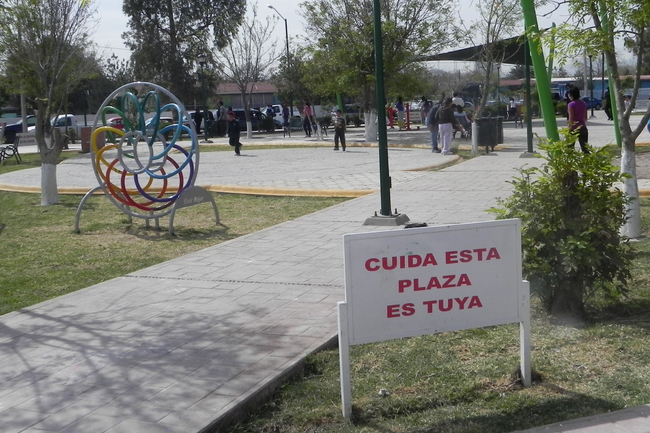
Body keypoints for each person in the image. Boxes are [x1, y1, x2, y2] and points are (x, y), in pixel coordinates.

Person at [567, 87, 589, 154]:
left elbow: (571, 118)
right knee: (585, 149)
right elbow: (585, 117)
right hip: (583, 128)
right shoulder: (583, 103)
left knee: (570, 149)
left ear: (571, 95)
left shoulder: (571, 104)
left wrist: (569, 128)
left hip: (573, 129)